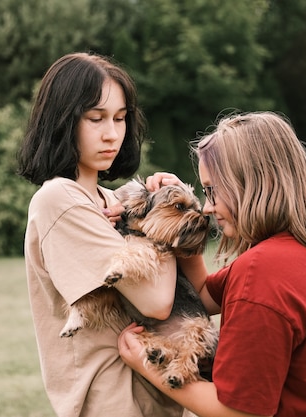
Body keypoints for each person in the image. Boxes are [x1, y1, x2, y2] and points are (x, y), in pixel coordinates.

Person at [119, 111, 306, 417]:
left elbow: (238, 412)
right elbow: (201, 294)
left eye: (212, 190)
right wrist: (179, 217)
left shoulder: (261, 272)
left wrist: (146, 365)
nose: (209, 207)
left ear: (252, 183)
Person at [17, 52, 183, 417]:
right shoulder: (59, 200)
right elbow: (157, 301)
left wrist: (166, 208)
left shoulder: (109, 200)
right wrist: (166, 224)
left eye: (120, 119)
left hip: (154, 392)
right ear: (61, 121)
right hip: (109, 397)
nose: (112, 134)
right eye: (96, 118)